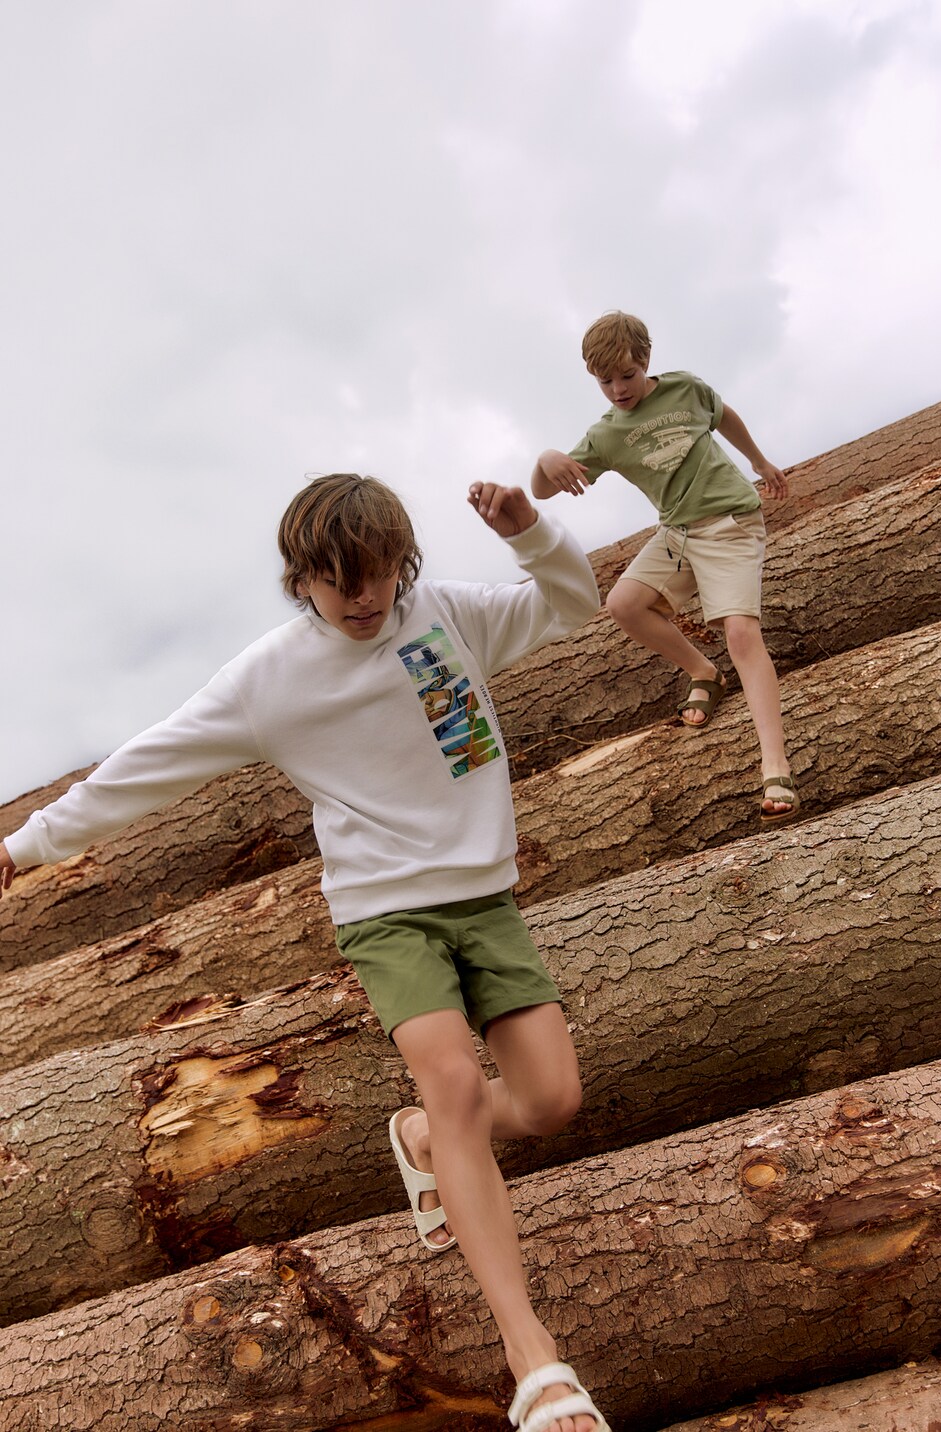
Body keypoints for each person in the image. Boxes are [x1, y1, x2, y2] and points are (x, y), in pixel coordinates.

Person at [0, 473, 610, 1432]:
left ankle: (419, 1143)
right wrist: (22, 846)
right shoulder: (268, 681)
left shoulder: (446, 616)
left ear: (402, 565)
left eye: (376, 576)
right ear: (301, 581)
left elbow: (575, 601)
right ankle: (536, 1369)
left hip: (484, 898)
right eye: (338, 584)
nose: (363, 599)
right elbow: (143, 765)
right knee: (455, 1085)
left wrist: (532, 532)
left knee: (548, 1102)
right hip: (385, 913)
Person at [531, 310, 798, 825]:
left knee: (741, 633)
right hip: (676, 534)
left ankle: (775, 764)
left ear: (646, 360)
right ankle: (703, 671)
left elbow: (724, 416)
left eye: (626, 376)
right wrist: (546, 458)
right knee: (624, 604)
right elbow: (544, 489)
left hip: (729, 523)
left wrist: (760, 462)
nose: (617, 389)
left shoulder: (684, 390)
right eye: (604, 381)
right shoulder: (606, 435)